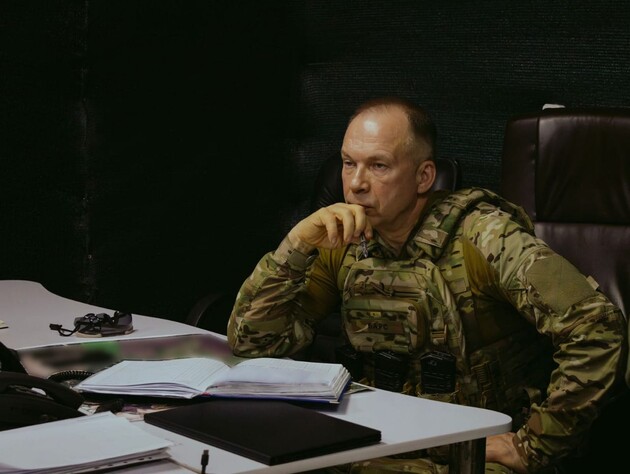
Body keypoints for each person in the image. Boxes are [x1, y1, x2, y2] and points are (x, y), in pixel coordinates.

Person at [227, 97, 627, 473]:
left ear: (424, 176)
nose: (356, 183)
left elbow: (598, 328)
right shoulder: (343, 244)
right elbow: (255, 346)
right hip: (375, 441)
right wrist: (295, 246)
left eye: (378, 166)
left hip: (467, 452)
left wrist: (534, 446)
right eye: (348, 164)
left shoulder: (483, 238)